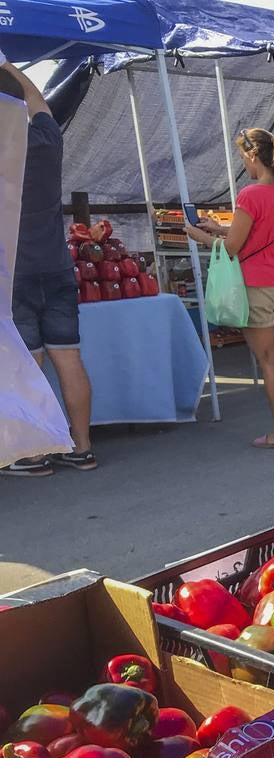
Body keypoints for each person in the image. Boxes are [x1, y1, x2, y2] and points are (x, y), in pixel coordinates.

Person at [184, 128, 274, 449]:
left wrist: (202, 237)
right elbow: (260, 231)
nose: (243, 165)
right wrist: (221, 227)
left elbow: (233, 247)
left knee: (269, 360)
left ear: (252, 156)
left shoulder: (250, 194)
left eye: (242, 158)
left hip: (257, 286)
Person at [0, 62, 96, 476]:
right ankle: (81, 447)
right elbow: (38, 101)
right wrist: (7, 66)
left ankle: (33, 453)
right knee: (69, 359)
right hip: (56, 266)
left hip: (12, 271)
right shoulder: (45, 136)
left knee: (27, 362)